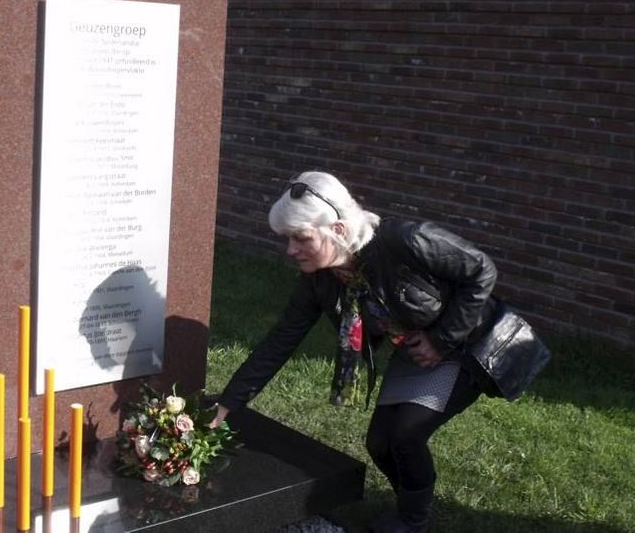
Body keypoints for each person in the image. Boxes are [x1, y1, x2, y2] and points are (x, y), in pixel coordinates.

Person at [209, 170, 501, 533]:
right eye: (287, 239)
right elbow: (280, 340)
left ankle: (413, 519)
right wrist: (226, 404)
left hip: (467, 342)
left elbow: (481, 271)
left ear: (339, 231)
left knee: (405, 435)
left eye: (300, 238)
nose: (290, 250)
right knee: (380, 443)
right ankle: (414, 500)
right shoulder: (320, 280)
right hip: (418, 348)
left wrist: (441, 339)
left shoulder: (406, 241)